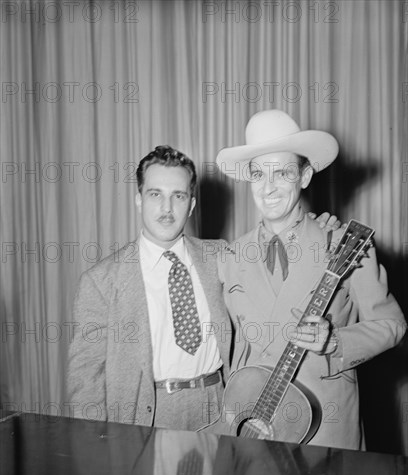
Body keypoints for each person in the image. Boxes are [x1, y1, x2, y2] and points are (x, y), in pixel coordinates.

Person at [215, 109, 407, 450]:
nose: (269, 187)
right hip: (255, 425)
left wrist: (334, 342)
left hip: (326, 429)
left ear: (304, 176)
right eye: (259, 174)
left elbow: (392, 325)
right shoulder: (231, 256)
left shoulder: (344, 242)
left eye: (283, 173)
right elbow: (235, 352)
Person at [66, 145, 231, 430]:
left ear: (191, 205)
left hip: (217, 408)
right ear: (139, 200)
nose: (167, 208)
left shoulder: (221, 257)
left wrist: (314, 231)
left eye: (178, 196)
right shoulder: (101, 280)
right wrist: (94, 447)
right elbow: (86, 377)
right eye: (156, 194)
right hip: (148, 415)